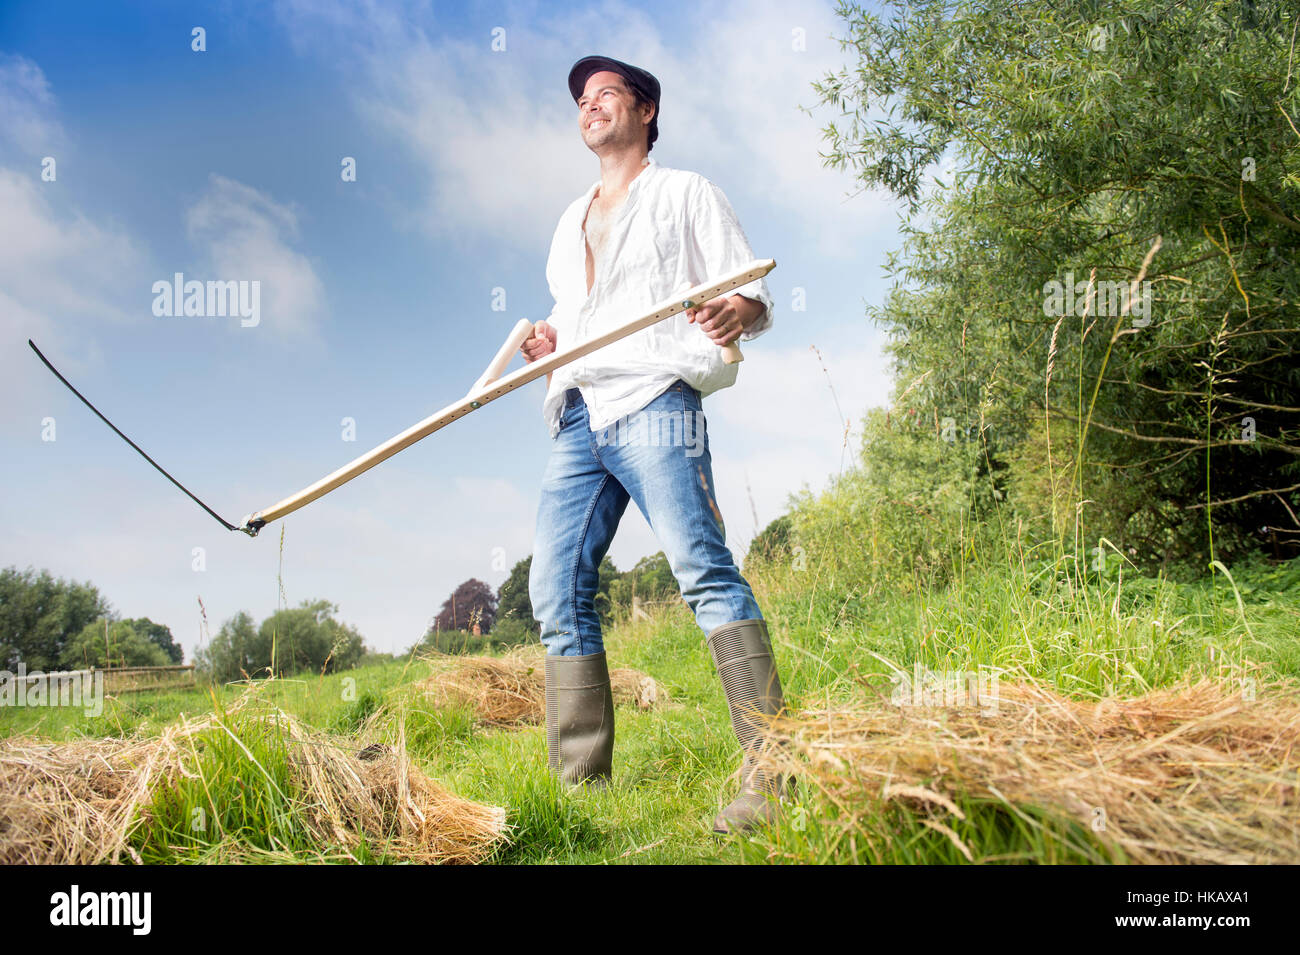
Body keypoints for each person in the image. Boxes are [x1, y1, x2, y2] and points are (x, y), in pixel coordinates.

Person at [519, 55, 789, 835]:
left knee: (703, 569)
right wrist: (550, 339)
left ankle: (773, 773)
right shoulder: (569, 223)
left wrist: (739, 308)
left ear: (644, 110)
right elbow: (578, 312)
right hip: (579, 411)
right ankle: (580, 796)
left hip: (655, 400)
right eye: (579, 99)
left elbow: (750, 289)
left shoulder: (686, 193)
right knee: (555, 589)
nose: (587, 106)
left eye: (604, 94)